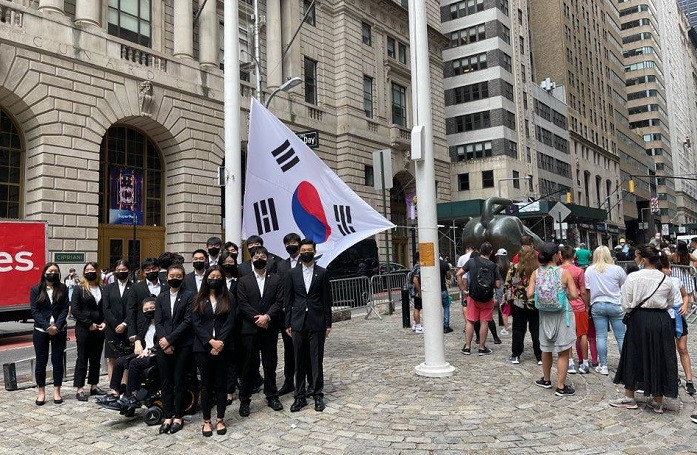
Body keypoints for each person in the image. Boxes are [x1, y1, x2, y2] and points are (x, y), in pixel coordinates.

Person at [610, 246, 678, 413]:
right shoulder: (666, 279)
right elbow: (670, 302)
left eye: (636, 256)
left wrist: (633, 310)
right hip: (661, 320)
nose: (635, 259)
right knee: (660, 355)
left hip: (639, 318)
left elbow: (626, 302)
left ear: (644, 259)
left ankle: (629, 396)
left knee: (633, 354)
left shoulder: (633, 277)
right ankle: (658, 400)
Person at [284, 239, 333, 413]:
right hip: (297, 322)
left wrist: (328, 323)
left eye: (309, 250)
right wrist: (287, 322)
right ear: (299, 251)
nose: (306, 252)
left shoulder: (323, 272)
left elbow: (327, 300)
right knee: (299, 360)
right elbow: (288, 300)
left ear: (314, 251)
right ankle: (299, 396)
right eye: (303, 250)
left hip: (317, 321)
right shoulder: (291, 274)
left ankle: (318, 394)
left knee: (316, 359)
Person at [237, 246, 285, 416]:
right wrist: (258, 318)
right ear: (251, 259)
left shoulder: (276, 279)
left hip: (269, 328)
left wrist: (268, 317)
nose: (260, 258)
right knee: (248, 365)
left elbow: (279, 301)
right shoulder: (243, 280)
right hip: (250, 328)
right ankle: (245, 399)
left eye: (263, 255)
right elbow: (242, 303)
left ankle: (272, 395)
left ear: (268, 259)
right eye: (256, 255)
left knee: (270, 363)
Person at [527, 243, 578, 397]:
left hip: (544, 315)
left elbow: (529, 293)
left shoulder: (536, 273)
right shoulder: (564, 273)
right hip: (562, 314)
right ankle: (561, 386)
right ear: (557, 255)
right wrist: (564, 295)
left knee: (546, 348)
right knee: (563, 351)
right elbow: (575, 295)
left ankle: (546, 379)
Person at [192, 265, 235, 437]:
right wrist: (210, 342)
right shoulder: (198, 298)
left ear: (222, 279)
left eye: (218, 277)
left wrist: (220, 342)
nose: (214, 279)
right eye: (212, 276)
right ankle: (207, 421)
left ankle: (220, 419)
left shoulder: (229, 297)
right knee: (206, 384)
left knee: (221, 384)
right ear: (206, 278)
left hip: (224, 347)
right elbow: (196, 323)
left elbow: (231, 321)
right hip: (202, 348)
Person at [155, 263, 195, 434]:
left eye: (178, 276)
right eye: (172, 276)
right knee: (165, 382)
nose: (174, 279)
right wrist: (164, 342)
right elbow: (158, 321)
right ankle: (167, 416)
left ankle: (178, 416)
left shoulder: (189, 296)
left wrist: (170, 340)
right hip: (163, 346)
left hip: (182, 345)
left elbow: (187, 321)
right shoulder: (161, 297)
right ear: (167, 277)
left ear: (183, 277)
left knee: (179, 382)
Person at [30, 262, 70, 405]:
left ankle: (56, 391)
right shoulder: (36, 289)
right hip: (41, 330)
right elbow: (35, 311)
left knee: (57, 360)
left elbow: (66, 308)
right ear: (44, 272)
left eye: (55, 271)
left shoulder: (63, 288)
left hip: (59, 330)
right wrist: (47, 326)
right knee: (41, 361)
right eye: (50, 270)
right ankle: (41, 392)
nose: (52, 273)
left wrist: (57, 326)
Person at [584, 246, 627, 375]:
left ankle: (603, 365)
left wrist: (587, 306)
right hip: (615, 303)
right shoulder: (617, 269)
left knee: (601, 336)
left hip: (597, 304)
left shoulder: (590, 270)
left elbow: (587, 290)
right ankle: (625, 364)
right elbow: (623, 285)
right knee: (621, 336)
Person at [112, 297, 159, 409]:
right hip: (143, 352)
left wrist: (149, 351)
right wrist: (137, 342)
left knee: (134, 363)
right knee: (119, 361)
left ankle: (130, 395)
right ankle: (115, 392)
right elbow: (139, 335)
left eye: (152, 308)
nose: (149, 311)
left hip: (155, 354)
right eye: (146, 309)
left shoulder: (161, 323)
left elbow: (162, 340)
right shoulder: (146, 323)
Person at [71, 262, 107, 401]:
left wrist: (104, 323)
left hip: (99, 328)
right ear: (84, 272)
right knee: (82, 358)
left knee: (96, 358)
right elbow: (75, 309)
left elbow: (105, 308)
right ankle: (80, 388)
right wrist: (89, 323)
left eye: (93, 269)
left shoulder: (103, 288)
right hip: (84, 329)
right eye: (88, 269)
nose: (90, 271)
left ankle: (94, 385)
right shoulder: (79, 289)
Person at [459, 242, 502, 355]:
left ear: (480, 250)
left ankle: (467, 347)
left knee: (470, 321)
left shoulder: (472, 262)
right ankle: (482, 348)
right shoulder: (493, 266)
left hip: (473, 296)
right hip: (487, 298)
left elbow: (459, 273)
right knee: (484, 322)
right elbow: (498, 285)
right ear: (491, 252)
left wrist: (463, 289)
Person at [504, 243, 541, 365]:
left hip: (518, 302)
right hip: (534, 302)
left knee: (518, 329)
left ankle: (516, 354)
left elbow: (508, 284)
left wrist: (509, 299)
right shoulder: (538, 269)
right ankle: (539, 356)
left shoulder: (514, 268)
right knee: (536, 330)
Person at [276, 232, 303, 395]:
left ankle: (305, 381)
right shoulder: (282, 265)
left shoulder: (307, 261)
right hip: (287, 314)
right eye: (287, 243)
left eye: (293, 242)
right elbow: (280, 288)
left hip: (302, 312)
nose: (290, 245)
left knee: (303, 349)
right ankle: (288, 382)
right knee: (288, 350)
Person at [103, 259, 132, 390]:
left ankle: (125, 386)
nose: (121, 272)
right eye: (119, 270)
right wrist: (115, 324)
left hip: (128, 328)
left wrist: (125, 324)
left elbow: (134, 309)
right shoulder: (108, 288)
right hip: (112, 328)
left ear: (129, 271)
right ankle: (114, 388)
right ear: (114, 271)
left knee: (126, 358)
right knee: (112, 359)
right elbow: (106, 308)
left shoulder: (134, 287)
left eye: (124, 270)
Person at [560, 247, 590, 374]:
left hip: (564, 305)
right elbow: (582, 291)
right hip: (578, 305)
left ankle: (570, 362)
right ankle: (585, 362)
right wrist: (587, 305)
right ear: (574, 257)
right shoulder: (578, 271)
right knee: (582, 334)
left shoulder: (558, 270)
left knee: (567, 335)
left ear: (561, 256)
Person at [127, 258, 165, 346]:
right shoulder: (136, 288)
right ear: (143, 272)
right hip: (142, 328)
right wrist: (132, 332)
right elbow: (131, 310)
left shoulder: (166, 285)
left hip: (163, 326)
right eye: (148, 270)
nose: (151, 271)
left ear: (159, 269)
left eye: (154, 268)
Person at [494, 248, 510, 335]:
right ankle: (507, 325)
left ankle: (506, 326)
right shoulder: (510, 265)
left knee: (502, 306)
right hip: (509, 287)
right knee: (508, 305)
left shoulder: (496, 266)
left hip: (500, 288)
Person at [408, 252, 423, 333]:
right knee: (417, 308)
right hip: (417, 291)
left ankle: (415, 324)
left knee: (417, 307)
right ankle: (418, 326)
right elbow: (415, 280)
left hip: (414, 290)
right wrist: (419, 290)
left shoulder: (415, 266)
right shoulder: (418, 267)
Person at [439, 256, 454, 333]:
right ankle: (446, 325)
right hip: (442, 288)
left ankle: (437, 325)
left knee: (435, 308)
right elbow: (448, 277)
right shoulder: (444, 264)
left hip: (433, 291)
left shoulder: (430, 264)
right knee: (446, 307)